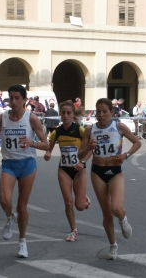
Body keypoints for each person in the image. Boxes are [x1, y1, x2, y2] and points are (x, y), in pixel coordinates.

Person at [0, 84, 48, 258]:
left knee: (22, 206)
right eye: (11, 98)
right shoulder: (2, 118)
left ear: (24, 100)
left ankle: (22, 242)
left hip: (27, 164)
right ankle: (9, 216)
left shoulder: (31, 118)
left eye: (17, 98)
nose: (13, 102)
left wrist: (31, 143)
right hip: (9, 163)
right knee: (4, 200)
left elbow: (46, 143)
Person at [78, 98, 141, 261]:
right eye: (98, 111)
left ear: (111, 112)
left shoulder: (118, 126)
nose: (101, 115)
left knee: (117, 209)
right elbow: (79, 155)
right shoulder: (89, 130)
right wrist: (88, 148)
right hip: (97, 171)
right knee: (106, 213)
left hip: (115, 171)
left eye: (104, 111)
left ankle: (123, 218)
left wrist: (126, 155)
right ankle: (113, 245)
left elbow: (137, 143)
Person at [44, 101, 92, 241]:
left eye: (68, 113)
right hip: (64, 169)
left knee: (80, 207)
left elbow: (90, 149)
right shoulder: (57, 131)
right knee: (68, 202)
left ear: (73, 115)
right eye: (63, 113)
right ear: (60, 114)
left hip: (79, 170)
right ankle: (73, 230)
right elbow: (49, 148)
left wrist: (82, 162)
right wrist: (48, 154)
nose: (65, 116)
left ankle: (83, 198)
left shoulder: (80, 130)